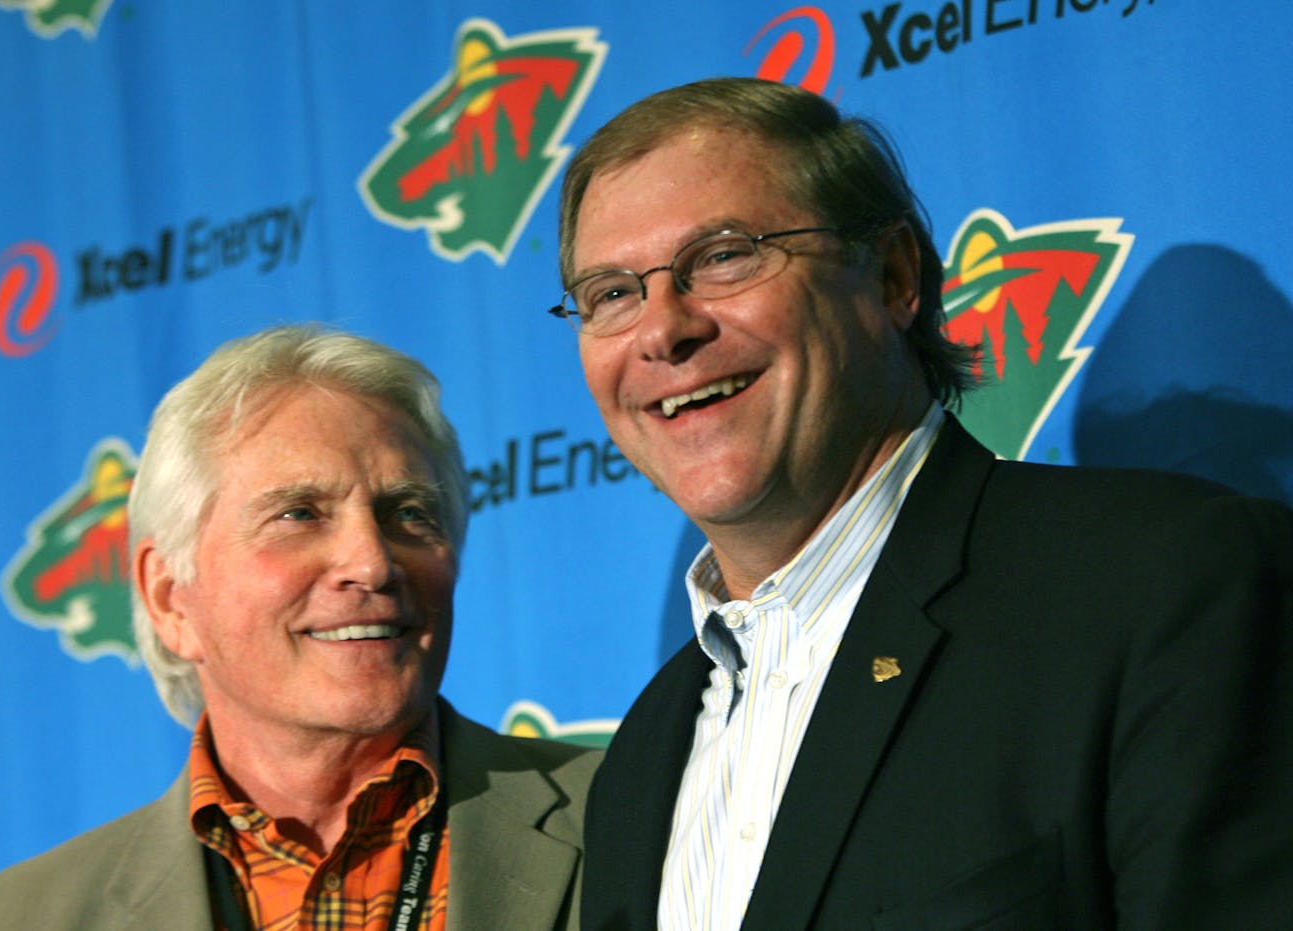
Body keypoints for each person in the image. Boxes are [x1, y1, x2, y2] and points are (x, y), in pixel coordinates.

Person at [552, 77, 1293, 929]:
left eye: (723, 255)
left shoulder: (1164, 582)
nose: (661, 329)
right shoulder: (639, 756)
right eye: (611, 293)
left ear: (894, 276)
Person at [0, 324, 600, 930]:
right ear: (169, 599)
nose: (372, 560)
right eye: (300, 514)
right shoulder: (3, 920)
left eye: (408, 512)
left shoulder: (633, 814)